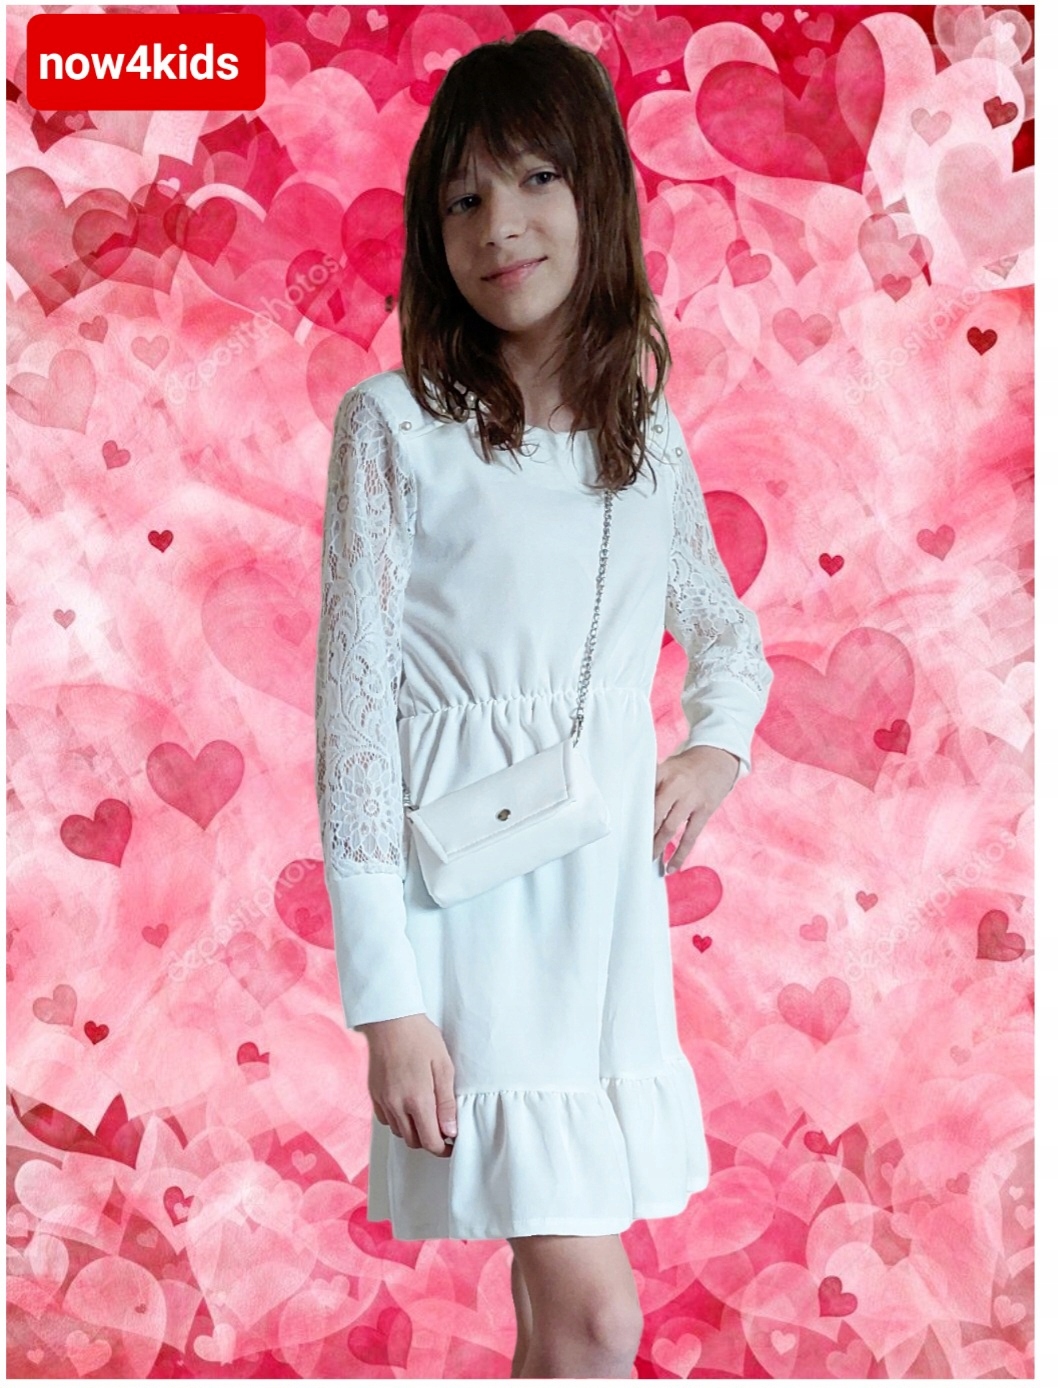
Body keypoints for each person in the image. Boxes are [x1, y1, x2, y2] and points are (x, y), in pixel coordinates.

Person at [314, 30, 774, 1380]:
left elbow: (725, 636)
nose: (499, 226)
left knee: (553, 1326)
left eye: (533, 179)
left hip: (602, 920)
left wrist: (714, 750)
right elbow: (354, 724)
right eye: (462, 198)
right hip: (469, 922)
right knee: (593, 1318)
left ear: (598, 196)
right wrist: (386, 1001)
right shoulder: (395, 429)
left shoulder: (646, 438)